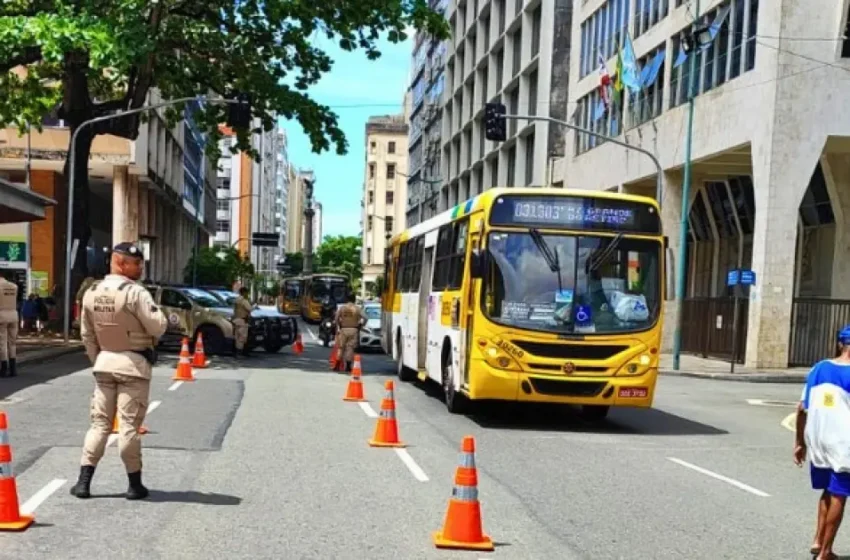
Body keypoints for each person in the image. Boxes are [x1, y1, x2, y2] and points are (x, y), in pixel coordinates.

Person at [70, 242, 167, 500]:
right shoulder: (136, 293)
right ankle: (134, 484)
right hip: (133, 366)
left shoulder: (92, 291)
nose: (140, 268)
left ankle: (83, 482)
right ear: (120, 262)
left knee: (99, 425)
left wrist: (98, 360)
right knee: (128, 427)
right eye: (136, 263)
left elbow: (87, 335)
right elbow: (157, 327)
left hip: (104, 365)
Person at [795, 324, 850, 560]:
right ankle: (825, 553)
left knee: (828, 490)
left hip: (817, 439)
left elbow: (801, 408)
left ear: (840, 343)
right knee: (840, 494)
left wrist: (799, 442)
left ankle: (818, 540)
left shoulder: (818, 368)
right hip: (843, 443)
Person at [333, 292, 365, 373]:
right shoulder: (357, 309)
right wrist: (361, 325)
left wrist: (338, 325)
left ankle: (337, 364)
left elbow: (336, 318)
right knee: (350, 348)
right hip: (354, 330)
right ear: (354, 299)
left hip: (343, 329)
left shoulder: (342, 308)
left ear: (346, 299)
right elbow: (366, 317)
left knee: (341, 347)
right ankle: (348, 366)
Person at [0, 276, 18, 378]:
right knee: (12, 343)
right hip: (14, 315)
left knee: (2, 342)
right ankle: (13, 369)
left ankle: (3, 368)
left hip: (2, 315)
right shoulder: (14, 286)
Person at [232, 287, 252, 357]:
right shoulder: (244, 300)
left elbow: (234, 311)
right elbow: (250, 309)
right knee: (242, 338)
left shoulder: (236, 300)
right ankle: (239, 353)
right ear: (244, 292)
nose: (247, 294)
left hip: (236, 320)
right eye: (247, 293)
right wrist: (254, 306)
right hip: (243, 320)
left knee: (237, 337)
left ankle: (237, 352)